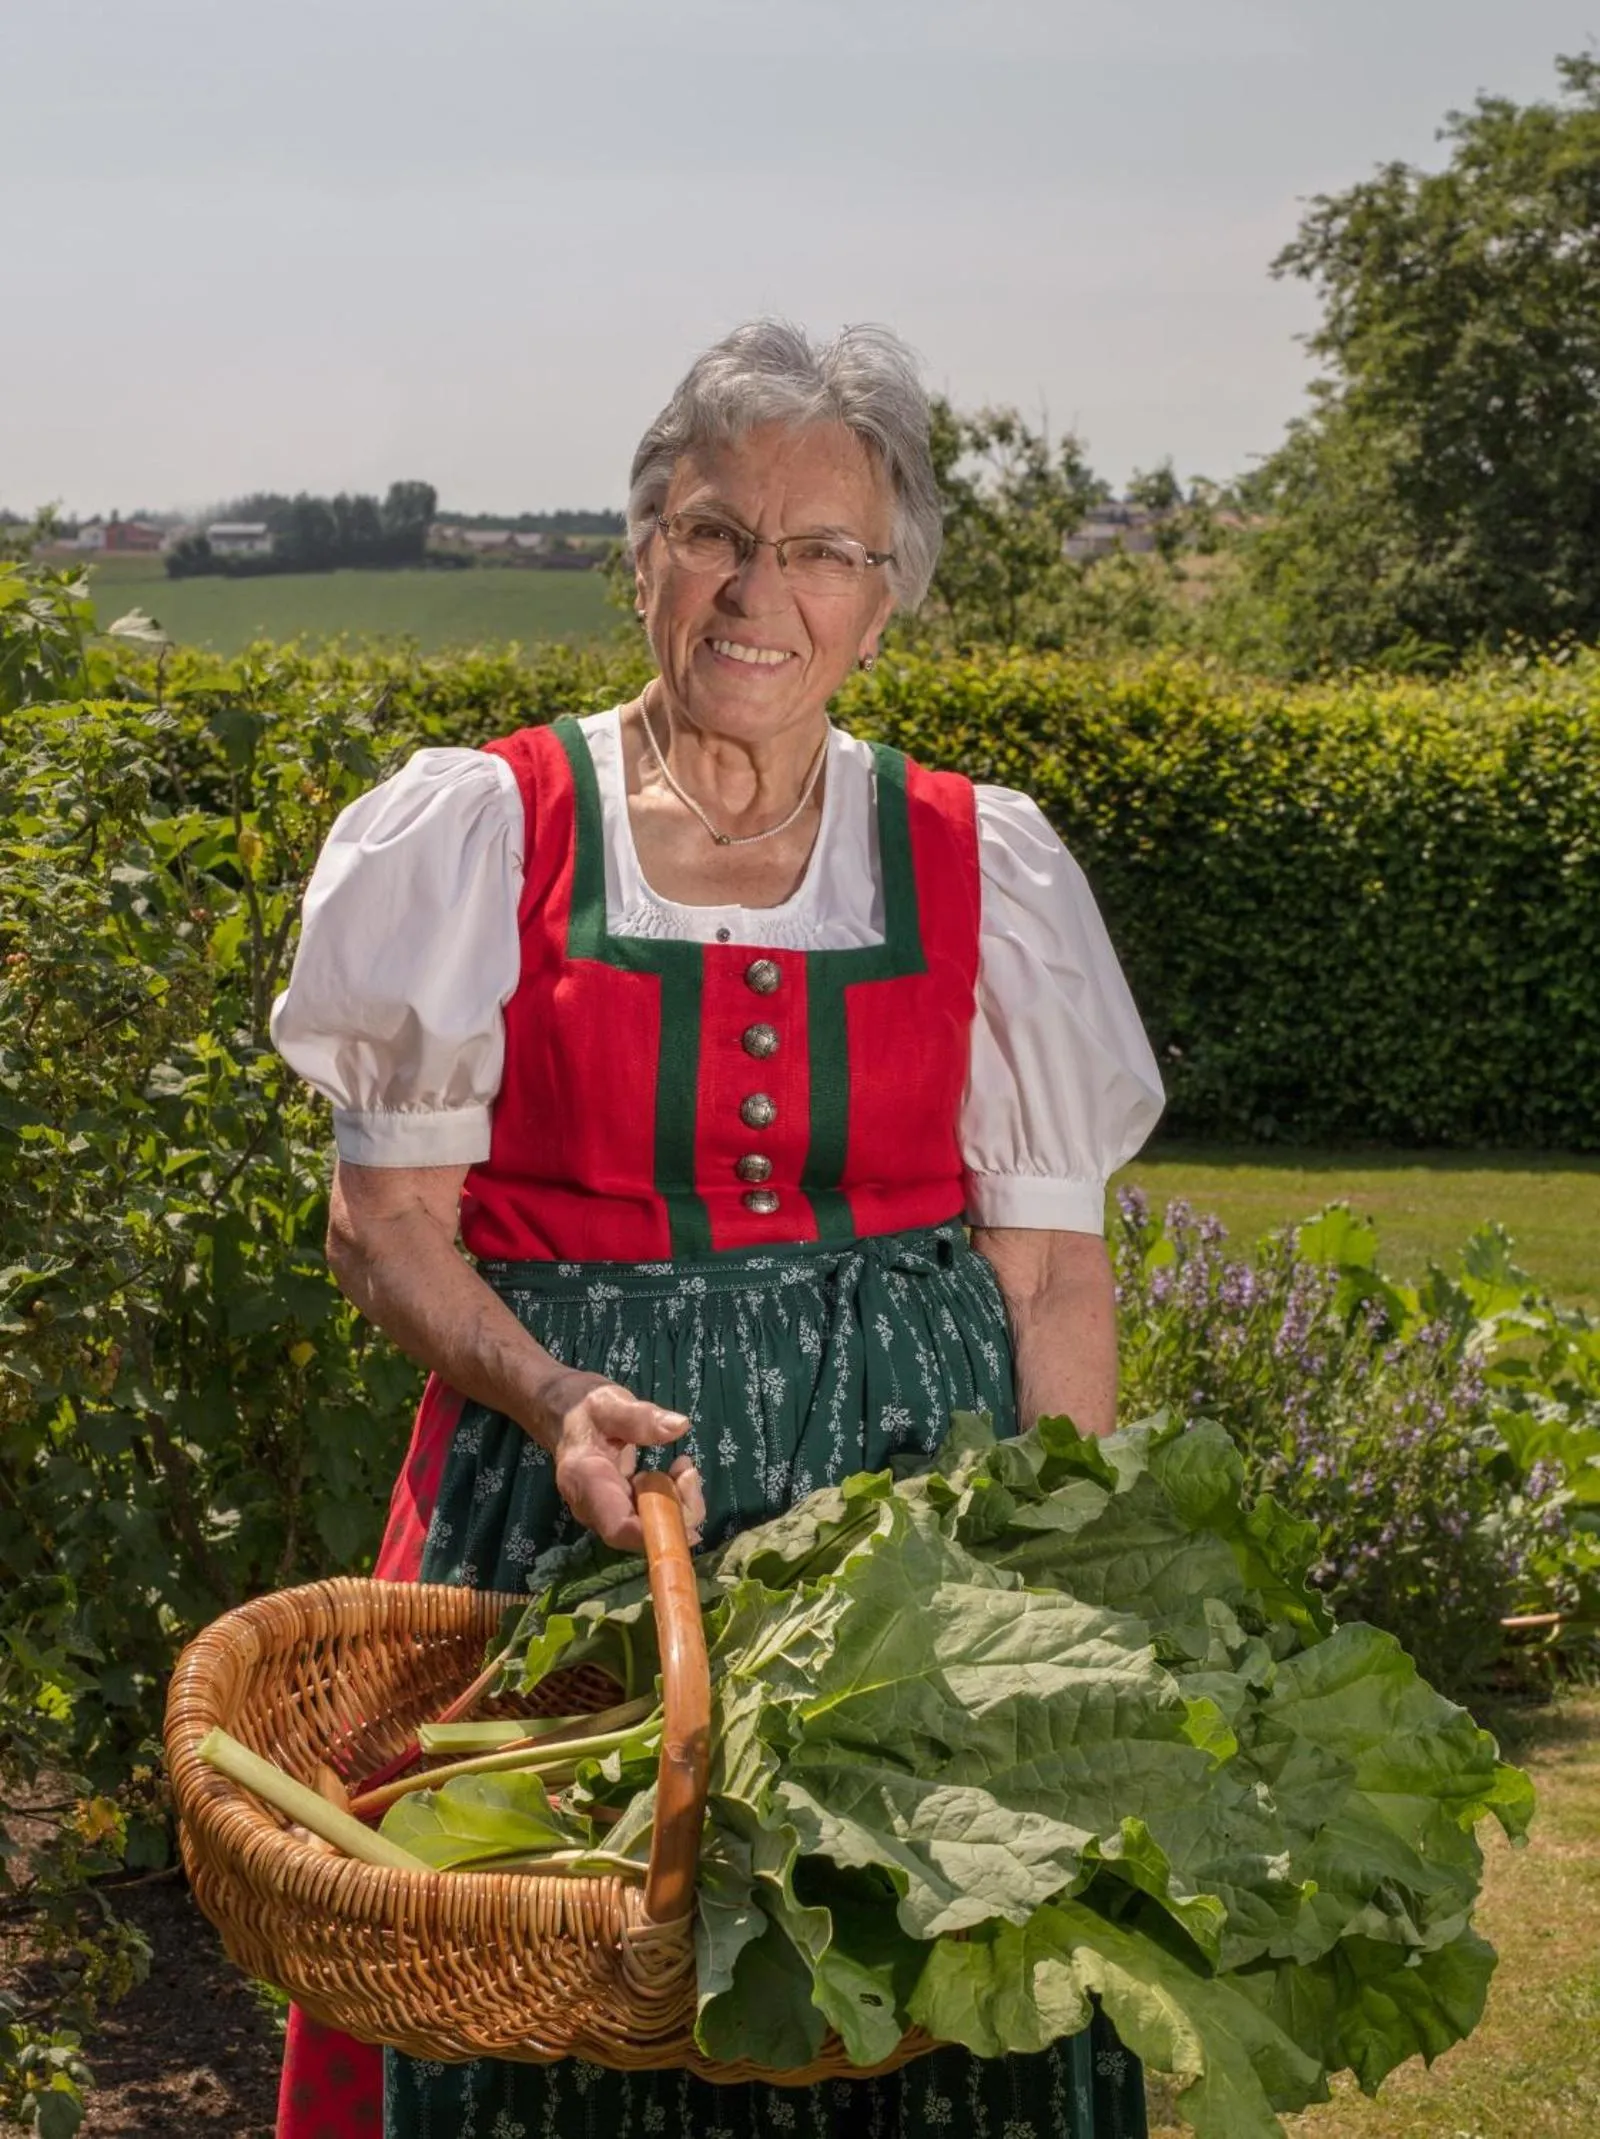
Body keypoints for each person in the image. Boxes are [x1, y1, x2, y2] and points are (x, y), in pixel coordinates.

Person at [269, 319, 1165, 2139]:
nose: (762, 589)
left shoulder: (980, 858)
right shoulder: (483, 832)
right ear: (642, 555)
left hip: (909, 1538)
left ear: (886, 594)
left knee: (923, 2008)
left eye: (823, 549)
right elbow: (386, 1228)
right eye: (713, 532)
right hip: (565, 1529)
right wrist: (545, 1395)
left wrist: (1070, 1599)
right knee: (551, 2006)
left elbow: (1054, 1268)